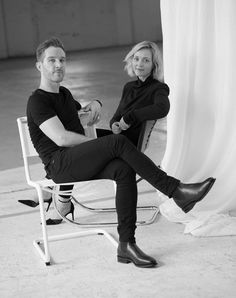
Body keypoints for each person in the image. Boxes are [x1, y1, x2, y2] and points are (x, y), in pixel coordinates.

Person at [25, 37, 215, 268]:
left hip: (77, 161)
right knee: (117, 142)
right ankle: (176, 190)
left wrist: (95, 103)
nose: (58, 65)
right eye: (51, 60)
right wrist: (95, 143)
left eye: (62, 60)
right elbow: (61, 138)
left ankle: (127, 244)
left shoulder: (63, 94)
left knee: (123, 169)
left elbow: (82, 112)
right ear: (39, 66)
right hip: (59, 165)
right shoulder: (38, 100)